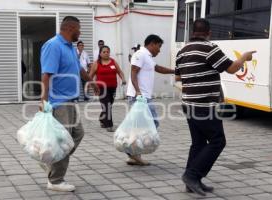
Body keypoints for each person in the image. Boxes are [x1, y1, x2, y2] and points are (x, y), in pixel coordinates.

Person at [175, 18, 256, 196]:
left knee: (198, 143)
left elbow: (178, 77)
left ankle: (192, 181)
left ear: (192, 32)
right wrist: (244, 57)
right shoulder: (210, 48)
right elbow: (232, 69)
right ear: (208, 33)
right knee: (218, 141)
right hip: (203, 105)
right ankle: (192, 175)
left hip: (188, 103)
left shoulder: (182, 51)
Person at [40, 16, 99, 192]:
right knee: (64, 141)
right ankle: (56, 180)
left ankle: (51, 162)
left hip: (71, 101)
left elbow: (78, 68)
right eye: (78, 29)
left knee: (77, 135)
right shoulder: (54, 45)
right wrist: (43, 100)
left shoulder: (70, 47)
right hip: (59, 102)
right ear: (70, 28)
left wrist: (91, 81)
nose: (80, 33)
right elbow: (46, 74)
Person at [126, 34, 174, 165]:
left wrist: (175, 71)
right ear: (152, 44)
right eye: (159, 46)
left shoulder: (147, 56)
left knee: (143, 125)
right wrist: (137, 91)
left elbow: (157, 68)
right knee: (149, 124)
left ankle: (133, 154)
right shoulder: (140, 54)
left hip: (144, 97)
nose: (159, 50)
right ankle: (133, 151)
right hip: (140, 97)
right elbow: (133, 71)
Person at [89, 45, 126, 132]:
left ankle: (102, 119)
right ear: (100, 53)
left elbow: (120, 72)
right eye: (104, 52)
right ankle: (109, 125)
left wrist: (123, 79)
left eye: (107, 52)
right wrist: (93, 87)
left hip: (112, 88)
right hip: (101, 88)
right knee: (107, 105)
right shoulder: (96, 63)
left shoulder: (113, 62)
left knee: (108, 105)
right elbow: (90, 76)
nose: (106, 53)